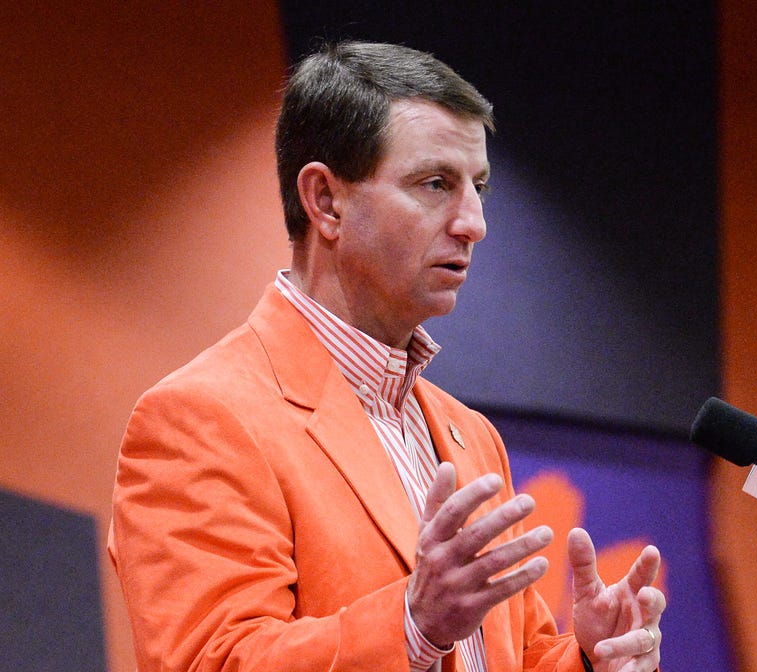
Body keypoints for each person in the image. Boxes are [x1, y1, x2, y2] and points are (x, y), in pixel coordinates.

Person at [108, 40, 665, 672]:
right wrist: (412, 626)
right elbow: (211, 661)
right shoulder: (200, 418)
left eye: (477, 186)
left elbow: (511, 656)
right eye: (435, 184)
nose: (474, 222)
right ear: (325, 201)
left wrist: (589, 659)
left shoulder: (471, 436)